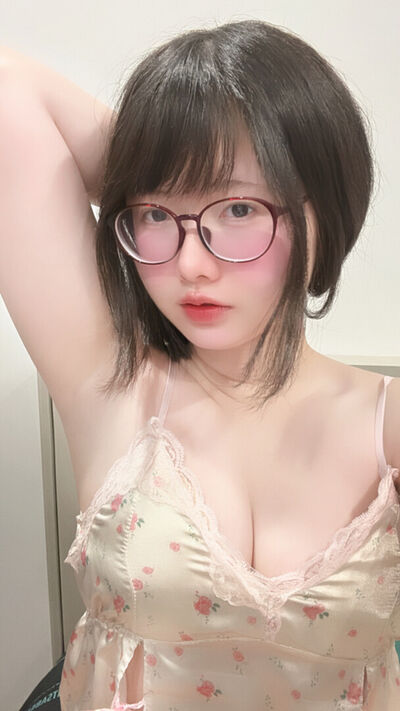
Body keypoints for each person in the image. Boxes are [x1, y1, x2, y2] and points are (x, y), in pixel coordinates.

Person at [1, 18, 399, 711]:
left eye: (239, 208)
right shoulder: (114, 385)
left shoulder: (385, 426)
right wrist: (162, 155)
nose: (189, 263)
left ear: (322, 213)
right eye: (155, 214)